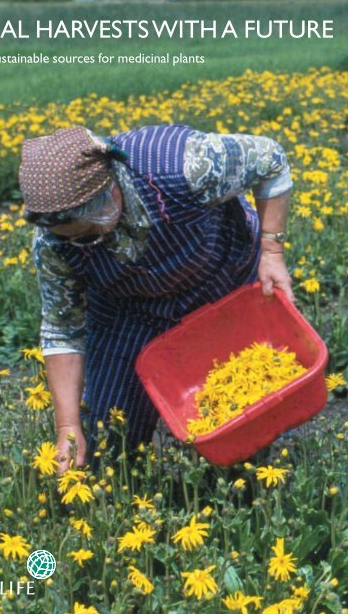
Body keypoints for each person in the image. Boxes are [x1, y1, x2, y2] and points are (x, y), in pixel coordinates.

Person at [19, 124, 295, 473]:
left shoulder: (181, 167)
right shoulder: (54, 245)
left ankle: (242, 469)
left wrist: (272, 252)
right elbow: (62, 330)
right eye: (78, 239)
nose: (93, 241)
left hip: (220, 275)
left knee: (239, 412)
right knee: (108, 444)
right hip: (131, 309)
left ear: (111, 187)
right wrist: (67, 429)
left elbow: (271, 159)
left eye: (92, 230)